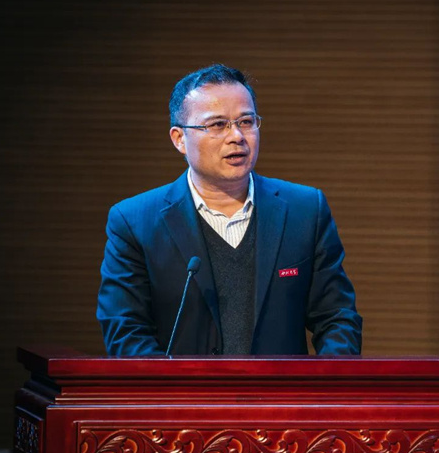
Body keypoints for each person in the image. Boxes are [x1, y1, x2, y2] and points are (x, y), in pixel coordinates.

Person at [96, 64, 362, 356]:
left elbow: (337, 318)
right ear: (179, 138)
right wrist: (175, 385)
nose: (236, 136)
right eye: (217, 125)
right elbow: (126, 332)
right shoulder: (134, 222)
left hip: (281, 388)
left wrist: (327, 381)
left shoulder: (305, 210)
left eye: (246, 122)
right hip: (182, 387)